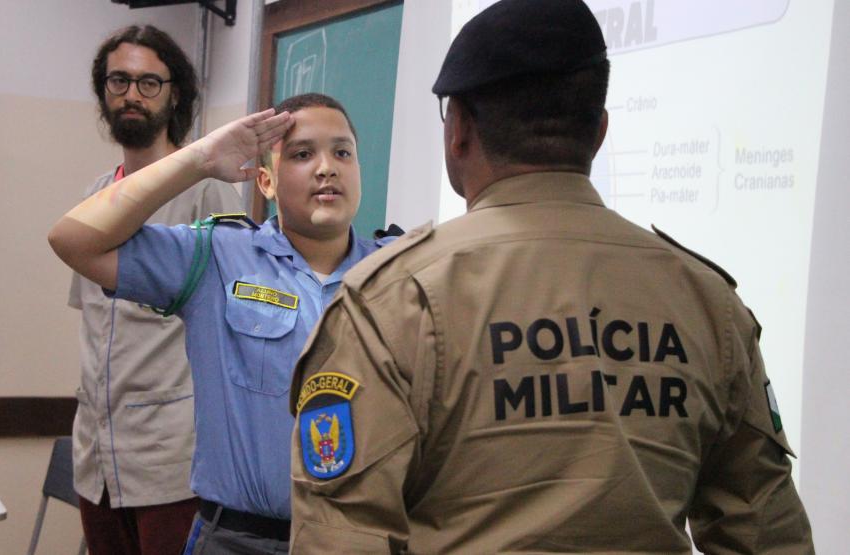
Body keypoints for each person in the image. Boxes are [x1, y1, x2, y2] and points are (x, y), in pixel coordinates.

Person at [287, 0, 815, 553]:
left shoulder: (395, 300)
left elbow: (340, 539)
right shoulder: (707, 301)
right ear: (599, 131)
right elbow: (767, 535)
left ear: (459, 130)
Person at [50, 91, 395, 554]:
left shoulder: (398, 272)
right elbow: (73, 241)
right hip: (239, 540)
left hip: (361, 540)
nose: (326, 168)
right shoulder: (217, 256)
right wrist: (199, 160)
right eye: (302, 154)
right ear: (266, 182)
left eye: (342, 153)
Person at [68, 25, 242, 555]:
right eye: (119, 81)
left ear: (175, 95)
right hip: (97, 458)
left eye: (148, 83)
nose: (132, 95)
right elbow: (92, 323)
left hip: (171, 464)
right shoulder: (96, 196)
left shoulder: (207, 192)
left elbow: (238, 326)